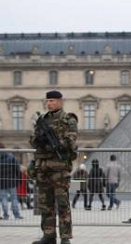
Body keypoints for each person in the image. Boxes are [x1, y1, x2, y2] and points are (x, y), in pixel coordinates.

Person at [30, 90, 78, 244]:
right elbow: (33, 141)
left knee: (63, 204)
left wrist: (54, 143)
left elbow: (71, 141)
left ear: (60, 101)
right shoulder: (42, 120)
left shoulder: (68, 119)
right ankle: (49, 235)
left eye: (53, 101)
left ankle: (65, 237)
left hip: (59, 169)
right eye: (48, 101)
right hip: (43, 168)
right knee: (45, 204)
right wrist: (39, 139)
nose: (49, 103)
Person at [0, 143, 24, 220]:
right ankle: (16, 215)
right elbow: (17, 169)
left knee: (4, 199)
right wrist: (19, 179)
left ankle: (6, 215)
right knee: (14, 198)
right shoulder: (11, 157)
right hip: (11, 182)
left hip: (1, 183)